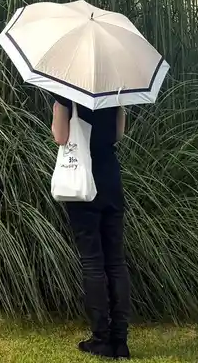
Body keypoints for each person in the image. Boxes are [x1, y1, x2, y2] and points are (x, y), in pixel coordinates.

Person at [51, 97, 131, 360]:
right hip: (111, 180)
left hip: (83, 182)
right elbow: (118, 135)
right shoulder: (116, 89)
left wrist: (58, 108)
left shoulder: (67, 92)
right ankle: (120, 341)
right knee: (116, 261)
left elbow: (60, 137)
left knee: (93, 262)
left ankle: (101, 339)